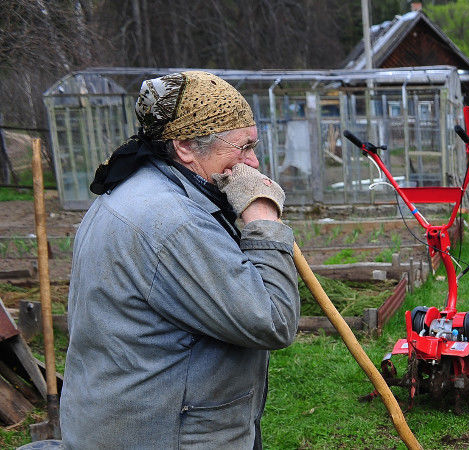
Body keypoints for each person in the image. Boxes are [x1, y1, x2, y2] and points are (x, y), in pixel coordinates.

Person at [60, 71, 300, 449]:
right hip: (165, 435)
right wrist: (262, 221)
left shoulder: (136, 189)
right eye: (243, 147)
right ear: (186, 146)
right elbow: (273, 321)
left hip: (126, 422)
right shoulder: (173, 222)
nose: (253, 163)